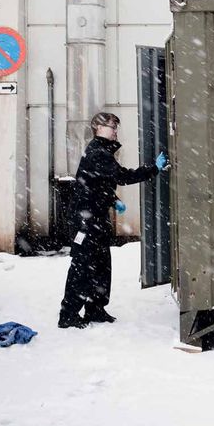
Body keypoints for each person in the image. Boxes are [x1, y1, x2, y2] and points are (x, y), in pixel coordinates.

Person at [58, 112, 168, 329]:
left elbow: (98, 184)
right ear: (98, 127)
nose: (115, 130)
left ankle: (95, 308)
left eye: (116, 127)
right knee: (82, 266)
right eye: (111, 126)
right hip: (85, 221)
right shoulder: (98, 152)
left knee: (101, 265)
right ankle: (68, 314)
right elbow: (122, 176)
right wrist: (153, 169)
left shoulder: (101, 152)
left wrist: (113, 199)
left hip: (96, 218)